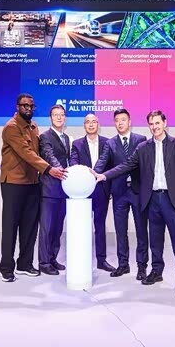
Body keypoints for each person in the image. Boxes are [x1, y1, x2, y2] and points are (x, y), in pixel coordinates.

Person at [94, 110, 175, 295]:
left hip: (173, 200)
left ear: (165, 123)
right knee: (155, 241)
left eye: (157, 123)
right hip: (152, 200)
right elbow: (126, 166)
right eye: (151, 124)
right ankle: (156, 272)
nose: (154, 127)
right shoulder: (143, 147)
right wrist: (104, 175)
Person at [0, 94, 66, 282]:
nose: (28, 108)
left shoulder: (34, 127)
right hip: (13, 183)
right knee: (11, 226)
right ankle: (7, 268)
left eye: (31, 106)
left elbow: (38, 152)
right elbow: (26, 153)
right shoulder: (11, 127)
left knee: (29, 227)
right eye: (24, 105)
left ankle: (24, 264)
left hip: (32, 183)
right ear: (17, 106)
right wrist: (49, 169)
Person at [94, 108, 148, 280]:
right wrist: (92, 173)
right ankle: (123, 265)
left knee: (141, 230)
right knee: (120, 231)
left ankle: (142, 267)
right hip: (119, 192)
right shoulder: (110, 143)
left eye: (123, 120)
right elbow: (102, 162)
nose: (120, 123)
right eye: (117, 120)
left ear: (129, 122)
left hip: (138, 191)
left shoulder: (141, 140)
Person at [69, 114, 116, 272]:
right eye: (87, 122)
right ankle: (81, 259)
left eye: (94, 122)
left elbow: (111, 166)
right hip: (83, 191)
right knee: (82, 226)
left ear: (98, 125)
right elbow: (73, 163)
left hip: (102, 189)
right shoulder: (77, 144)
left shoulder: (107, 142)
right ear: (84, 125)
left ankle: (101, 260)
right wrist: (84, 173)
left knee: (100, 225)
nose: (91, 125)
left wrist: (110, 188)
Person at [38, 105, 71, 275]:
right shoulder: (45, 137)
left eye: (61, 115)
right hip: (49, 189)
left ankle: (52, 258)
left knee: (58, 228)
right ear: (50, 118)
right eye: (55, 115)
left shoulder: (66, 138)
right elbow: (49, 156)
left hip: (63, 190)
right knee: (47, 228)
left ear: (65, 118)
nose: (59, 117)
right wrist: (61, 170)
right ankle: (44, 263)